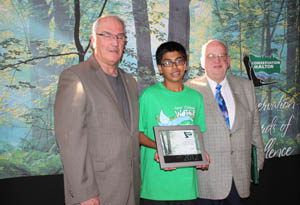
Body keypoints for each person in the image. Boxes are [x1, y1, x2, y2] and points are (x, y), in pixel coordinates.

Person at [54, 15, 140, 205]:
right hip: (96, 192)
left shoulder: (130, 82)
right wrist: (85, 193)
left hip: (130, 188)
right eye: (107, 35)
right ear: (93, 40)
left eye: (120, 36)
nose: (114, 42)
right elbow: (70, 139)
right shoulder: (75, 77)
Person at [186, 40, 265, 205]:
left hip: (240, 178)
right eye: (211, 56)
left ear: (228, 61)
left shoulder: (246, 87)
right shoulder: (189, 90)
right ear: (202, 62)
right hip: (206, 181)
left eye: (222, 56)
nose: (217, 60)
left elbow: (255, 129)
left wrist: (255, 166)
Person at [139, 41, 208, 205]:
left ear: (185, 65)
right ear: (160, 68)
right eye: (168, 63)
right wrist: (161, 148)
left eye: (179, 61)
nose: (174, 67)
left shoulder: (196, 97)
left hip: (186, 186)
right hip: (155, 185)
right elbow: (137, 134)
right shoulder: (149, 95)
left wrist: (202, 156)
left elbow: (197, 137)